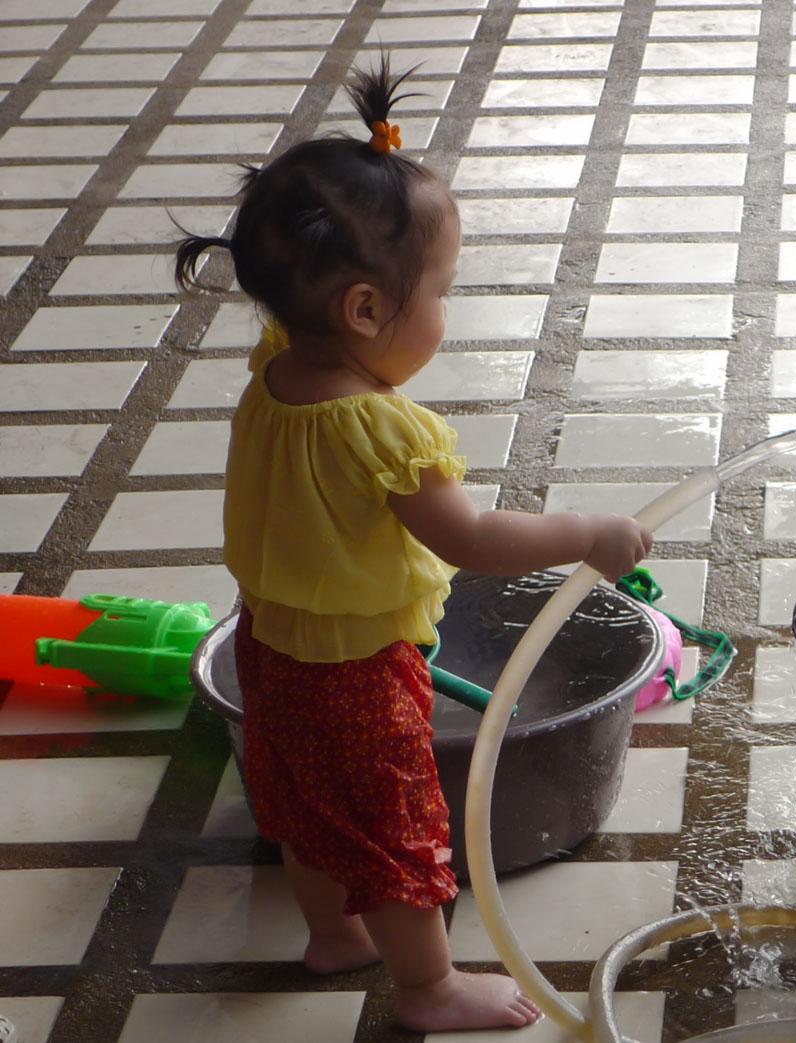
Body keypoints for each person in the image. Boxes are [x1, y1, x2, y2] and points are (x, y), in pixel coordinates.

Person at [174, 57, 652, 1033]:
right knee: (397, 827)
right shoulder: (384, 434)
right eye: (440, 291)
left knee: (304, 803)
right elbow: (474, 539)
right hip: (356, 669)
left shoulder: (276, 371)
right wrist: (588, 534)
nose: (444, 313)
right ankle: (427, 983)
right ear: (362, 309)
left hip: (270, 646)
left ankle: (334, 934)